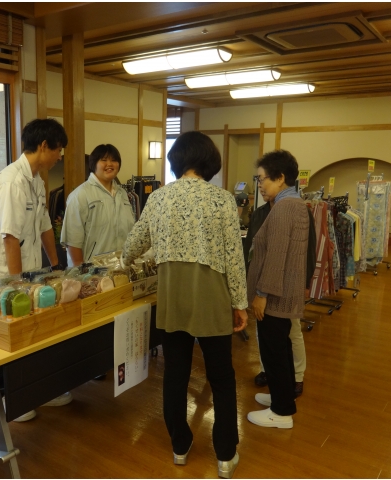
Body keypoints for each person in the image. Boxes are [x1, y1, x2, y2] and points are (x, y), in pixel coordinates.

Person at [122, 131, 248, 479]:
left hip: (172, 295)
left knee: (175, 375)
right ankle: (225, 455)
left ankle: (180, 446)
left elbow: (134, 243)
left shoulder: (159, 198)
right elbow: (234, 257)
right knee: (221, 377)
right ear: (209, 161)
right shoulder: (223, 200)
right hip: (212, 296)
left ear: (177, 160)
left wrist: (124, 260)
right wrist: (240, 303)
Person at [0, 118, 71, 422]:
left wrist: (56, 266)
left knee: (32, 333)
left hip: (25, 272)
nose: (59, 157)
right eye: (58, 150)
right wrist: (16, 284)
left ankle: (37, 391)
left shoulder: (37, 180)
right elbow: (10, 238)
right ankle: (8, 400)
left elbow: (44, 226)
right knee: (6, 339)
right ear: (43, 146)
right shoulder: (11, 182)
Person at [246, 149, 309, 429]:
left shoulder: (284, 208)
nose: (260, 185)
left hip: (274, 295)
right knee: (280, 348)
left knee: (275, 351)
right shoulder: (293, 203)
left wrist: (261, 294)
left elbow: (276, 256)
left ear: (280, 177)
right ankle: (281, 397)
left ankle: (281, 413)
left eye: (262, 179)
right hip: (283, 292)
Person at [243, 188, 316, 398]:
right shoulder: (259, 213)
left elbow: (308, 249)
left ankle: (297, 375)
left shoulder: (298, 210)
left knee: (292, 331)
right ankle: (268, 370)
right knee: (264, 330)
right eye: (259, 180)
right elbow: (251, 248)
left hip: (288, 282)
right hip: (261, 282)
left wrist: (304, 281)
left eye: (264, 179)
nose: (261, 186)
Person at [61, 144, 135, 265]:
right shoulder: (80, 195)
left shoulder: (122, 194)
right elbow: (72, 240)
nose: (109, 164)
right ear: (94, 164)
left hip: (121, 268)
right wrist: (82, 271)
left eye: (114, 160)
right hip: (92, 271)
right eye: (104, 160)